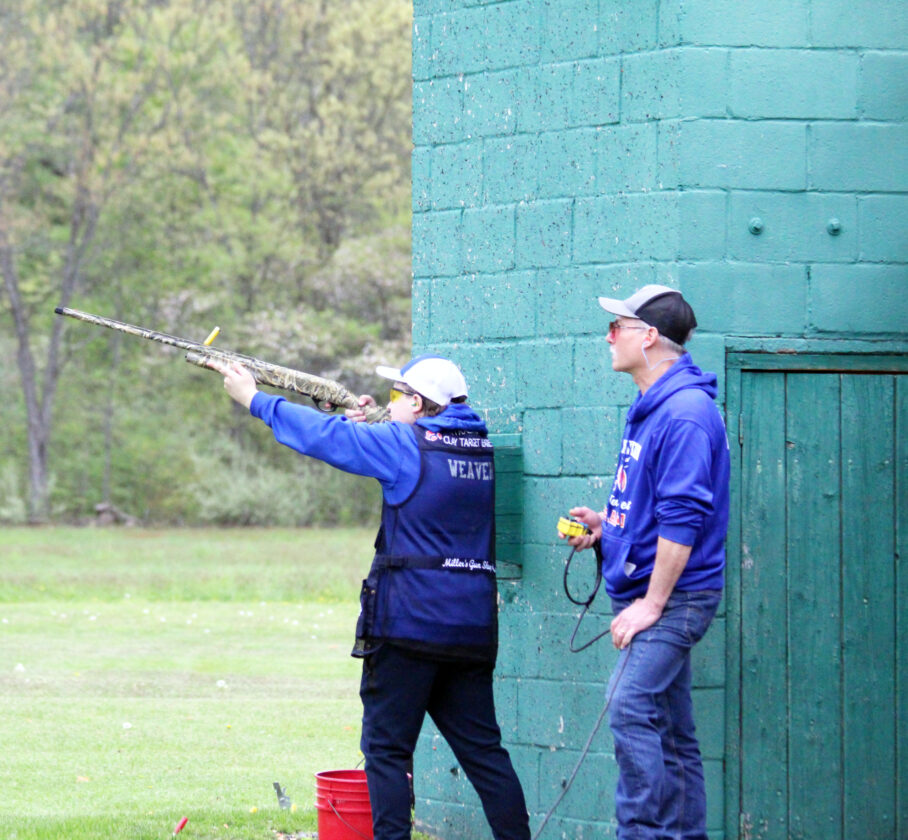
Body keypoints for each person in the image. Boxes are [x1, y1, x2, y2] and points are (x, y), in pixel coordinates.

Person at [210, 353, 530, 840]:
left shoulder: (402, 444)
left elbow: (326, 438)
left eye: (398, 394)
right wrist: (369, 420)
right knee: (485, 755)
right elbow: (410, 441)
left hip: (407, 628)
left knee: (386, 753)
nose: (390, 401)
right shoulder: (478, 448)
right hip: (470, 630)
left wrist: (254, 399)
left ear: (420, 404)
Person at [563, 285, 730, 840]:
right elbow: (656, 514)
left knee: (627, 703)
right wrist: (608, 530)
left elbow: (683, 525)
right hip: (653, 593)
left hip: (674, 599)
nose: (609, 336)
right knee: (670, 729)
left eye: (619, 327)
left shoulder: (683, 414)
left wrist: (651, 606)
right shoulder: (653, 406)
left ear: (650, 336)